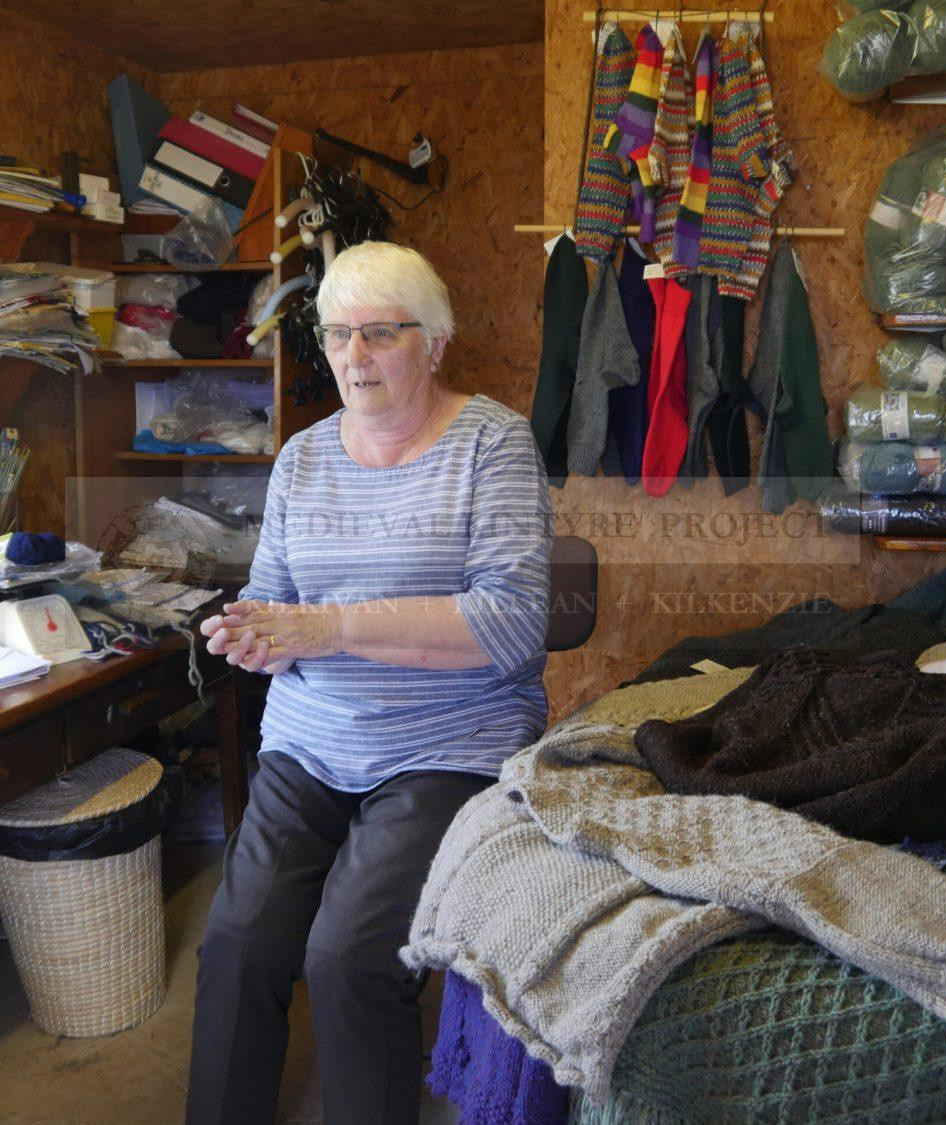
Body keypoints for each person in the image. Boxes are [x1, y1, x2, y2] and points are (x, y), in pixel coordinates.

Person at [186, 241, 552, 1124]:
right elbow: (276, 600)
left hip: (448, 746)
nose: (355, 355)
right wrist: (252, 634)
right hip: (313, 740)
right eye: (339, 334)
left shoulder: (491, 442)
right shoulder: (303, 460)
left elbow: (511, 625)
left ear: (434, 343)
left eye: (380, 333)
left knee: (348, 952)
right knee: (238, 941)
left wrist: (331, 624)